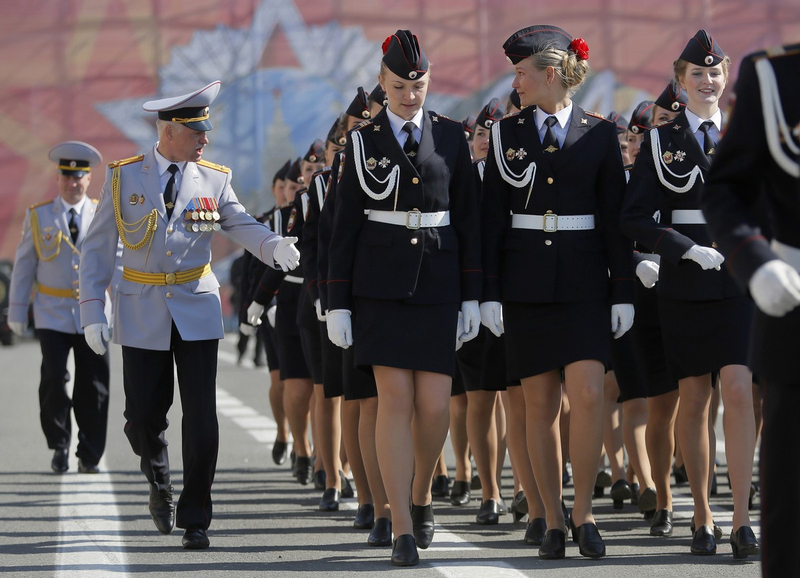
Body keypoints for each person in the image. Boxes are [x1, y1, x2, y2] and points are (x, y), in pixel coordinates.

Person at [78, 81, 300, 549]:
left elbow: (239, 222)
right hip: (140, 308)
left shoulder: (214, 178)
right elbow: (97, 249)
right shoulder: (123, 177)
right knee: (142, 417)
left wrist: (272, 245)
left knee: (201, 416)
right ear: (170, 131)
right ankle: (158, 479)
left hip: (196, 306)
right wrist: (91, 310)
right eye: (197, 132)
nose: (205, 140)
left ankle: (197, 516)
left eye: (206, 131)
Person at [326, 30, 481, 566]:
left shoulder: (453, 137)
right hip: (380, 286)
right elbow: (343, 226)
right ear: (382, 85)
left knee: (435, 405)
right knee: (394, 400)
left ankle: (420, 495)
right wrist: (337, 301)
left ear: (428, 81)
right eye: (399, 85)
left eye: (417, 84)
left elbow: (470, 221)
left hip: (439, 281)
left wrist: (474, 297)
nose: (410, 93)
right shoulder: (362, 142)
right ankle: (401, 525)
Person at [481, 25, 634, 560]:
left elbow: (616, 220)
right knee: (538, 404)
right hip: (525, 287)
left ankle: (584, 513)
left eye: (521, 72)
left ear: (550, 73)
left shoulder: (598, 133)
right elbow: (491, 221)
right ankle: (548, 515)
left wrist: (623, 293)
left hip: (587, 284)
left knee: (589, 394)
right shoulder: (505, 134)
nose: (515, 82)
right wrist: (489, 293)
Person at [622, 30, 759, 557]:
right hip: (687, 282)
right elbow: (633, 216)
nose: (707, 81)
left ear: (726, 79)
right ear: (681, 82)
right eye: (697, 74)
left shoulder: (749, 135)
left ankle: (744, 518)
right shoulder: (661, 141)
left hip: (741, 279)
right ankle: (702, 513)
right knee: (695, 398)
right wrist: (679, 247)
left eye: (715, 72)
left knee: (740, 388)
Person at [700, 41, 799, 572]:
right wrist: (754, 260)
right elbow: (726, 189)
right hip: (793, 301)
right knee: (790, 505)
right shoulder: (775, 79)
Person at [7, 141, 116, 474]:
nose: (73, 183)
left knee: (94, 382)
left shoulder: (103, 212)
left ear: (88, 179)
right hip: (51, 310)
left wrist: (130, 304)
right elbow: (25, 265)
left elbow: (121, 261)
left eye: (79, 177)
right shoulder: (39, 216)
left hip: (94, 311)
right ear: (59, 179)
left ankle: (90, 452)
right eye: (67, 177)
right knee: (54, 378)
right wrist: (15, 311)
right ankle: (59, 444)